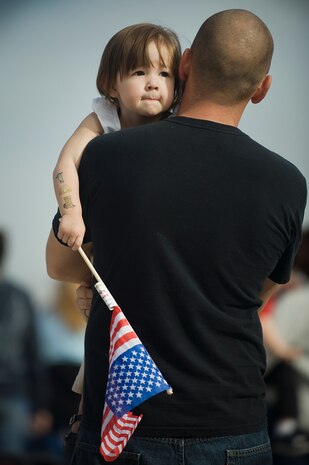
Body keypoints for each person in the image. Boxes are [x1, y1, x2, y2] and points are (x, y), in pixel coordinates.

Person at [46, 9, 307, 465]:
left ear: (185, 65)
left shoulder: (109, 155)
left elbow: (58, 264)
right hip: (236, 429)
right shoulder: (287, 183)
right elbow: (261, 289)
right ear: (262, 88)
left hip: (122, 424)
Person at [53, 22, 182, 251]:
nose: (153, 84)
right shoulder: (104, 118)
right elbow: (66, 163)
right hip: (110, 221)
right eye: (140, 72)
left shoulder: (177, 122)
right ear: (111, 86)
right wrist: (71, 213)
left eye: (164, 74)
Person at [0, 230, 48, 459]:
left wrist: (40, 406)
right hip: (16, 395)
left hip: (16, 396)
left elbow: (33, 352)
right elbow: (33, 353)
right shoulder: (20, 296)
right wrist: (40, 406)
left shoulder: (21, 296)